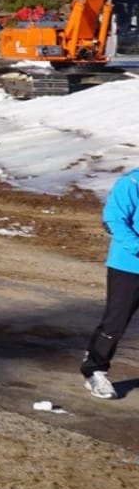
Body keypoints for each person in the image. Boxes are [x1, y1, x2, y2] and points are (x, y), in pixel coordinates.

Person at [83, 164, 139, 400]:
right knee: (115, 322)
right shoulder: (132, 182)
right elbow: (114, 219)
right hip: (128, 266)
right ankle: (95, 369)